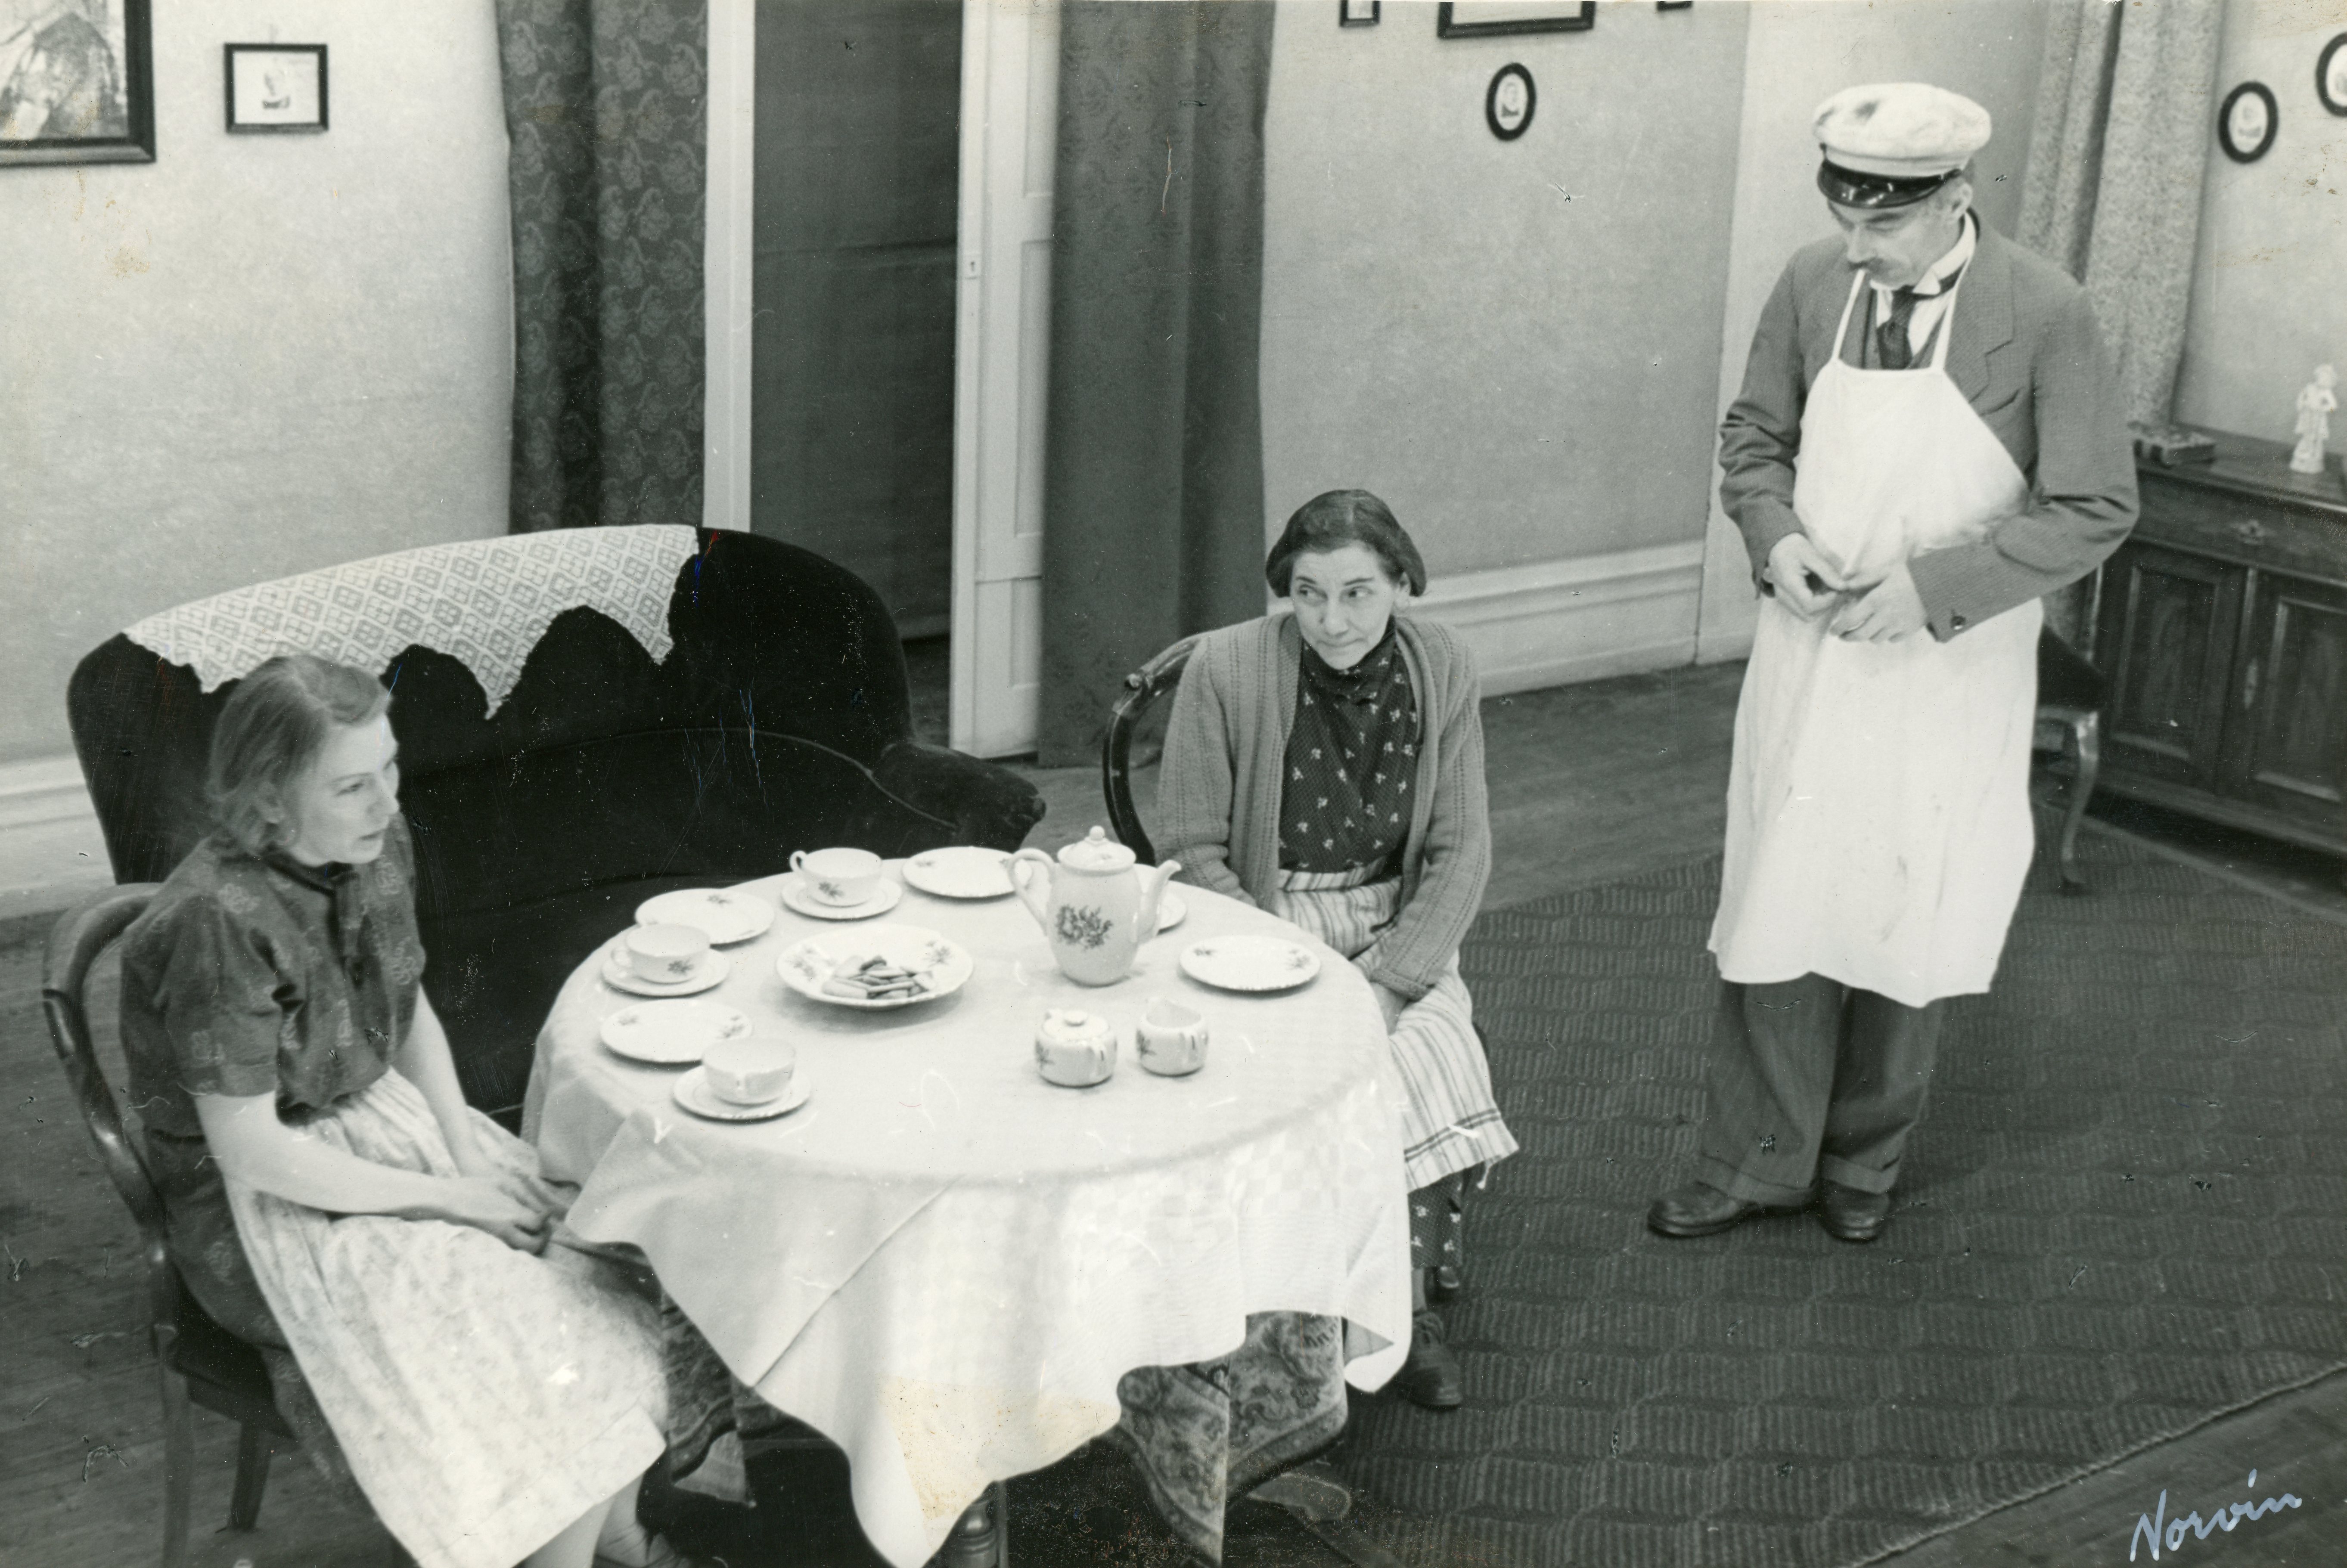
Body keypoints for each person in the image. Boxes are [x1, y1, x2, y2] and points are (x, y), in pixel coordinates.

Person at [1648, 83, 2138, 1246]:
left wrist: (1934, 589)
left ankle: (1863, 1162)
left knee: (1910, 907)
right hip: (1812, 649)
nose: (1857, 249)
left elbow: (2096, 504)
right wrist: (1776, 538)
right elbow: (1754, 437)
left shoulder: (2045, 311)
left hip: (1946, 667)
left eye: (1885, 224)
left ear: (1955, 197)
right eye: (1844, 219)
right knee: (1781, 895)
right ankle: (1755, 1161)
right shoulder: (1812, 280)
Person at [119, 654, 692, 1568]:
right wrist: (452, 1202)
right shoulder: (214, 923)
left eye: (389, 768)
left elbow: (404, 1000)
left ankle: (610, 1530)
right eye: (352, 785)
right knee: (521, 1319)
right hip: (265, 1196)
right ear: (268, 800)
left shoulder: (373, 842)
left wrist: (468, 1157)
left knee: (603, 1253)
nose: (386, 802)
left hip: (373, 1117)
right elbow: (252, 1149)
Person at [1159, 489, 1517, 1410]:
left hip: (1391, 920)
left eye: (1358, 593)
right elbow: (1192, 851)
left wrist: (1393, 982)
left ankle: (1404, 1314)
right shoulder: (1226, 667)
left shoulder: (1442, 664)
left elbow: (1461, 849)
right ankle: (1294, 1308)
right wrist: (1277, 971)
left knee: (1418, 1056)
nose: (1331, 620)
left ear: (1401, 584)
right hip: (1262, 921)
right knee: (1302, 1076)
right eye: (1308, 594)